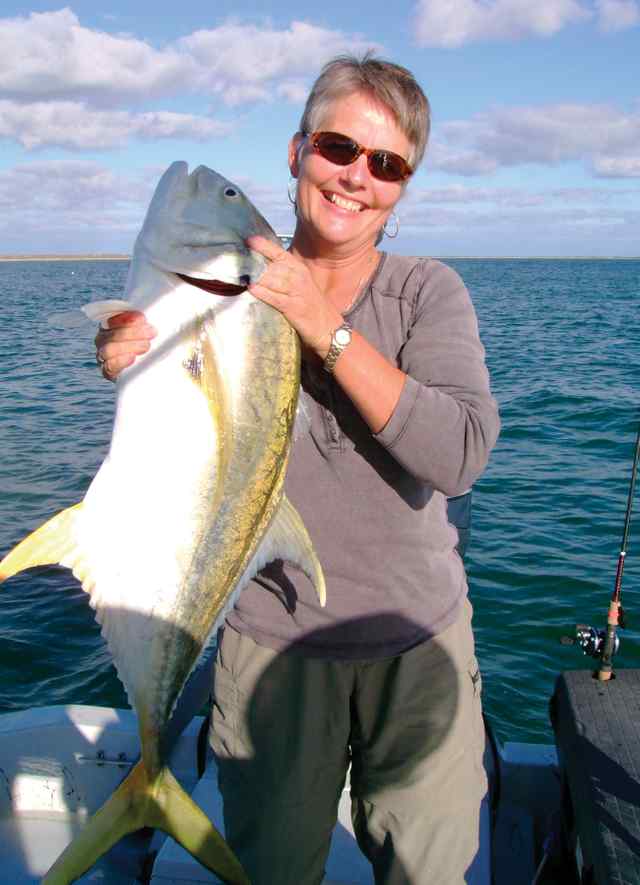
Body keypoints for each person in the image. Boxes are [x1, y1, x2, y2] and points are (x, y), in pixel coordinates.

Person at [96, 53, 500, 885]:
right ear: (296, 152)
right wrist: (128, 354)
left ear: (404, 186)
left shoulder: (428, 292)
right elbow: (182, 430)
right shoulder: (231, 282)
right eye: (338, 147)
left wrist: (329, 329)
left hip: (415, 648)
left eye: (386, 165)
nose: (356, 177)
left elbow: (460, 452)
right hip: (268, 645)